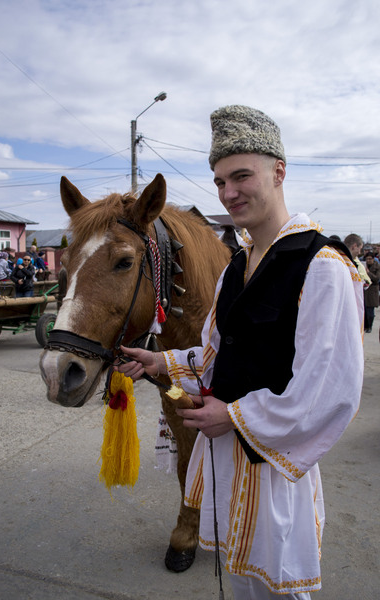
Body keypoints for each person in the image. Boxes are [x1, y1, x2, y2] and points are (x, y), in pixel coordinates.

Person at [114, 105, 364, 599]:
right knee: (243, 581)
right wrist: (161, 362)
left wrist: (232, 415)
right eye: (220, 181)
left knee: (278, 588)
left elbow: (329, 392)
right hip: (229, 463)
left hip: (275, 470)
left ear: (279, 172)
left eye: (241, 176)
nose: (228, 192)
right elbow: (215, 357)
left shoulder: (321, 265)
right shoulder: (236, 267)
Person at [363, 252, 380, 333]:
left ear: (373, 259)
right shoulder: (364, 265)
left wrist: (368, 273)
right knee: (365, 310)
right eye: (367, 259)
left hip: (373, 290)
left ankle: (370, 326)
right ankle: (365, 326)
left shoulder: (377, 266)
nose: (368, 260)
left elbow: (377, 278)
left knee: (370, 311)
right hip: (365, 289)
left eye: (370, 259)